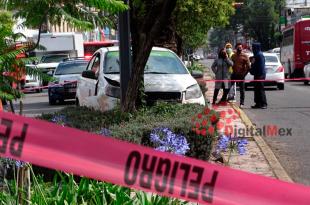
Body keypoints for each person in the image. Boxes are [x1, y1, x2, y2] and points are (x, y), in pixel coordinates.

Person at [230, 43, 250, 108]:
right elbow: (230, 64)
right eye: (238, 47)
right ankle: (225, 99)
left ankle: (242, 103)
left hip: (241, 75)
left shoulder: (245, 56)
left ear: (242, 48)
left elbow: (248, 66)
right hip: (234, 74)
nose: (239, 49)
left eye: (240, 47)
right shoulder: (233, 56)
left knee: (242, 90)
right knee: (228, 87)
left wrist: (244, 74)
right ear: (236, 48)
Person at [250, 42, 267, 109]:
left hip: (260, 75)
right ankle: (258, 103)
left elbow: (260, 67)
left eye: (253, 47)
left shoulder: (259, 55)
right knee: (256, 89)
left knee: (260, 89)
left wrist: (257, 73)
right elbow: (253, 64)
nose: (252, 48)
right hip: (257, 74)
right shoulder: (256, 55)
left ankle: (263, 103)